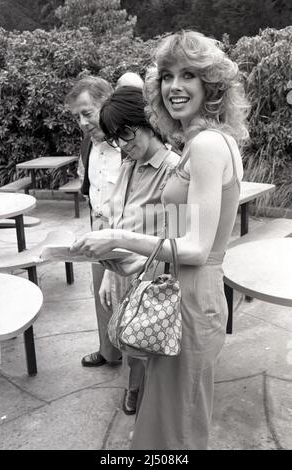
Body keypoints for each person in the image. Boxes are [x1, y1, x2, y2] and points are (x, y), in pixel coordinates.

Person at [70, 30, 249, 449]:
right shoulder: (203, 141)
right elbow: (176, 234)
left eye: (189, 74)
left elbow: (197, 250)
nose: (174, 86)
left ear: (212, 84)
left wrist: (117, 236)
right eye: (167, 76)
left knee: (176, 430)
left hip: (190, 298)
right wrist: (129, 260)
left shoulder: (205, 145)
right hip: (184, 292)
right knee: (171, 420)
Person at [98, 86, 180, 414]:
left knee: (151, 341)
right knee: (130, 337)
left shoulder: (174, 169)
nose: (122, 143)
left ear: (146, 119)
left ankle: (148, 398)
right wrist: (108, 271)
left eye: (126, 132)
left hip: (154, 280)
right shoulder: (129, 165)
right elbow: (117, 219)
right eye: (115, 138)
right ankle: (135, 387)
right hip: (124, 273)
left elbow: (178, 239)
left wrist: (141, 262)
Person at [66, 76, 122, 368]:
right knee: (102, 298)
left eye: (87, 113)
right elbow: (88, 186)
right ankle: (108, 351)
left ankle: (136, 378)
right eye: (77, 116)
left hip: (130, 236)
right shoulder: (89, 143)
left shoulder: (130, 143)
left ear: (107, 104)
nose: (83, 122)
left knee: (131, 302)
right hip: (99, 232)